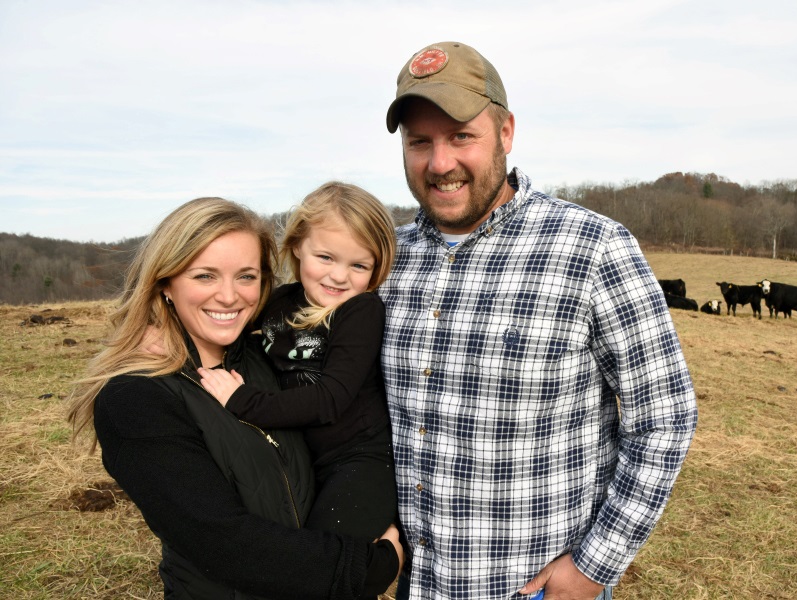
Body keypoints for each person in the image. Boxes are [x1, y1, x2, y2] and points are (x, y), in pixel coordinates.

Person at [378, 41, 698, 600]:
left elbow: (664, 418)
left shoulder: (593, 248)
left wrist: (594, 567)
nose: (439, 163)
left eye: (461, 137)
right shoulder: (383, 259)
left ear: (505, 133)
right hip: (417, 586)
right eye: (419, 142)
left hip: (533, 588)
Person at [67, 197, 402, 600]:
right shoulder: (135, 399)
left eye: (245, 276)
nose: (229, 296)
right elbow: (222, 541)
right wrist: (372, 567)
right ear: (165, 281)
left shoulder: (260, 360)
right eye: (205, 276)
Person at [198, 182, 398, 600]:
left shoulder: (360, 312)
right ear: (297, 248)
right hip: (303, 459)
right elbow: (225, 325)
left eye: (359, 266)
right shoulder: (280, 303)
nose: (339, 276)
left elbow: (330, 399)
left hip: (358, 463)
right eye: (325, 257)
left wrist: (243, 403)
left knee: (324, 577)